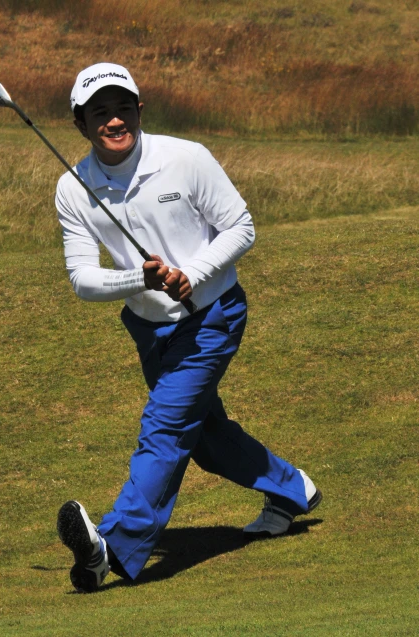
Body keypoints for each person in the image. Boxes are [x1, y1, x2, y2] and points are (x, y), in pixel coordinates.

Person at [54, 62, 322, 593]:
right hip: (150, 328)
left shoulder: (186, 158)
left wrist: (190, 273)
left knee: (166, 428)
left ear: (140, 110)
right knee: (205, 436)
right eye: (100, 112)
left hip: (212, 317)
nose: (114, 121)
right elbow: (83, 279)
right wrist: (141, 278)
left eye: (123, 107)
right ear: (80, 123)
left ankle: (110, 548)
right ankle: (294, 490)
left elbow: (240, 226)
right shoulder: (72, 187)